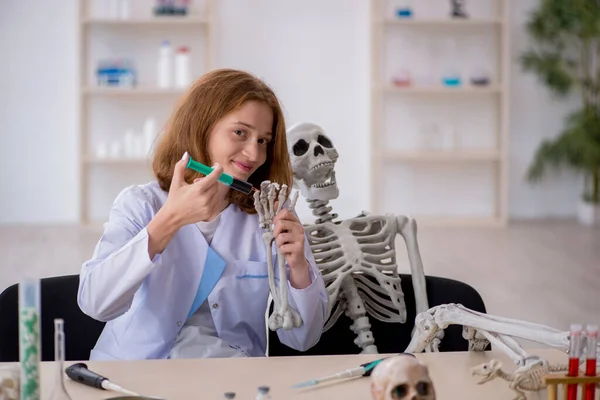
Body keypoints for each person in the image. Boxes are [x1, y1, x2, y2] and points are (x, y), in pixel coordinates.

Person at [77, 69, 328, 361]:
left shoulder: (270, 212)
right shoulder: (140, 204)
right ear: (202, 127)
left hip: (230, 379)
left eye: (263, 140)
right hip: (134, 374)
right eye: (240, 133)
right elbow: (96, 304)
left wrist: (298, 267)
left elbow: (302, 339)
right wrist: (169, 220)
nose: (254, 154)